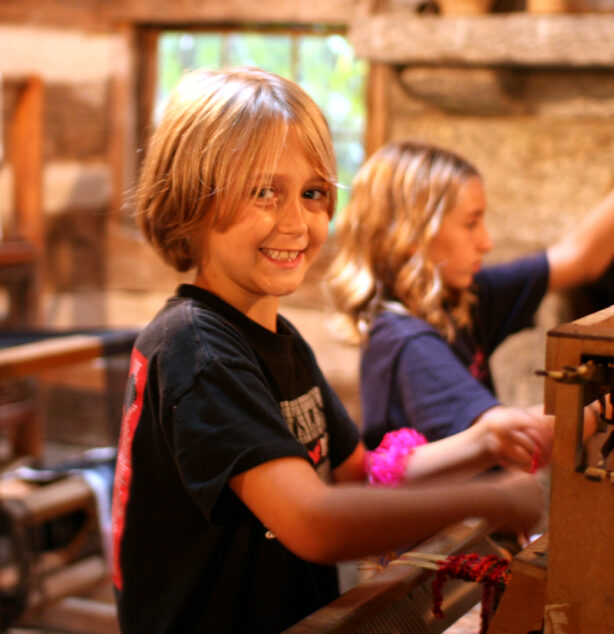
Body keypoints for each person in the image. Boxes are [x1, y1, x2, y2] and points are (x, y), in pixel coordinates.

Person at [111, 69, 551, 634]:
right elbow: (313, 521)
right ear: (190, 200)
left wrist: (485, 441)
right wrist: (493, 499)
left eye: (314, 193)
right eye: (264, 192)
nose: (297, 222)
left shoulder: (280, 341)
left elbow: (358, 474)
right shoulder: (196, 349)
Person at [328, 138, 614, 450]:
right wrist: (603, 408)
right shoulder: (407, 342)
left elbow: (579, 258)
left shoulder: (459, 297)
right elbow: (511, 439)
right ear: (411, 235)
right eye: (471, 223)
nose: (486, 242)